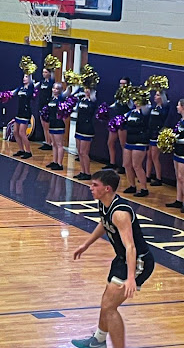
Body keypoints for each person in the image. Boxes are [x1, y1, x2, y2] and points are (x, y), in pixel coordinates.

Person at [72, 170, 154, 348]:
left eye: (95, 185)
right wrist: (86, 244)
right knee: (106, 301)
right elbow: (104, 223)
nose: (90, 188)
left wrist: (131, 277)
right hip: (122, 259)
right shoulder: (104, 203)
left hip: (138, 261)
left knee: (109, 307)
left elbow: (131, 246)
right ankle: (98, 341)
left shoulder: (120, 213)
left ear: (107, 188)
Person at [122, 90, 150, 197]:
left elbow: (147, 107)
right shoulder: (131, 112)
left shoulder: (145, 111)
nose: (135, 101)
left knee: (136, 165)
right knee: (127, 164)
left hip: (140, 141)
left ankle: (144, 188)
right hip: (129, 140)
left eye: (137, 99)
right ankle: (132, 185)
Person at [103, 77, 132, 174]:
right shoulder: (118, 94)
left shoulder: (130, 95)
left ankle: (124, 165)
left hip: (123, 121)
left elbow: (132, 107)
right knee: (110, 142)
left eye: (124, 84)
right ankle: (112, 163)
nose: (122, 85)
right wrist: (107, 108)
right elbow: (115, 104)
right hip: (115, 120)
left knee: (123, 144)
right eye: (121, 83)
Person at [146, 89, 169, 186]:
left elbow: (163, 120)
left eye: (158, 95)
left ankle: (158, 178)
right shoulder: (153, 108)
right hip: (151, 133)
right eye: (155, 95)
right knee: (149, 156)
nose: (155, 96)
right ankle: (147, 176)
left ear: (162, 97)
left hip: (157, 134)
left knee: (155, 157)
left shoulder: (164, 109)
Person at [75, 86, 98, 180]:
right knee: (79, 152)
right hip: (79, 126)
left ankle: (87, 173)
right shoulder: (81, 99)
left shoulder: (93, 101)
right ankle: (82, 171)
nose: (86, 91)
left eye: (88, 89)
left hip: (87, 128)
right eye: (85, 89)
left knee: (84, 152)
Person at [10, 74, 35, 159]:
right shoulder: (20, 88)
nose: (24, 78)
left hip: (26, 112)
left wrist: (30, 74)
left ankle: (28, 151)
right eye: (24, 76)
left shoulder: (31, 88)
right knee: (15, 131)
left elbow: (31, 94)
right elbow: (12, 93)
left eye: (27, 77)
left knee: (22, 132)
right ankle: (21, 150)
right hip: (19, 112)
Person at [166, 98, 184, 212]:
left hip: (183, 153)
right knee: (178, 177)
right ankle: (179, 200)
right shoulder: (181, 120)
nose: (177, 107)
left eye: (178, 105)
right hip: (177, 151)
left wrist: (176, 139)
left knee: (183, 178)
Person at [46, 82, 66, 171]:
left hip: (59, 123)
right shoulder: (51, 98)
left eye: (57, 89)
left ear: (60, 90)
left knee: (59, 144)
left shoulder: (61, 98)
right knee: (53, 144)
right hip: (52, 123)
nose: (55, 90)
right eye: (54, 88)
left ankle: (60, 163)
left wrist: (70, 83)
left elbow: (68, 92)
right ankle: (54, 161)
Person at [37, 66, 55, 151]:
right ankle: (46, 141)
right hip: (41, 105)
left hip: (47, 106)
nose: (44, 74)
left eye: (46, 72)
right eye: (43, 72)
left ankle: (50, 143)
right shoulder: (42, 82)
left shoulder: (51, 83)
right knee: (43, 125)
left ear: (49, 73)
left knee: (48, 126)